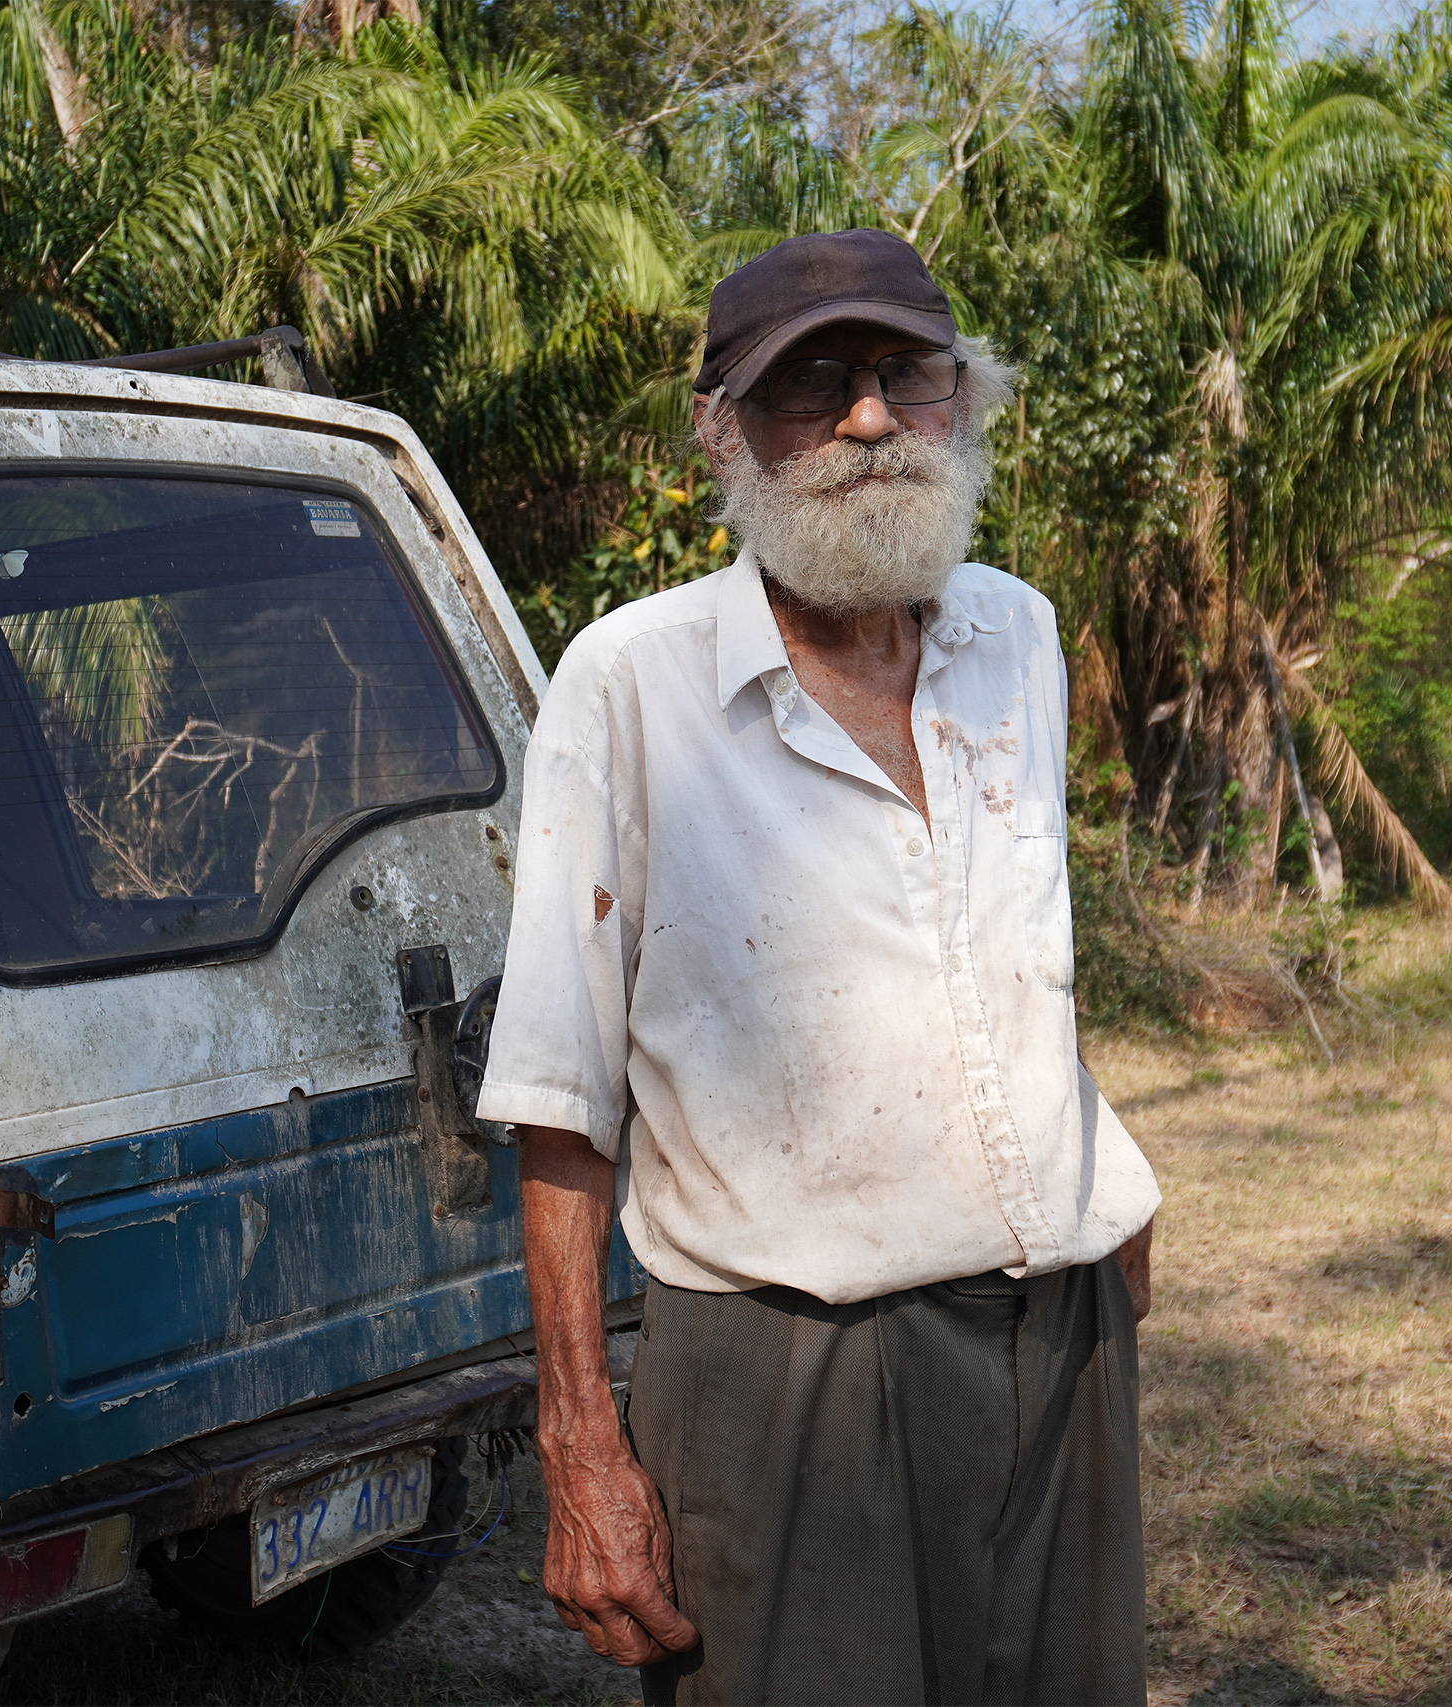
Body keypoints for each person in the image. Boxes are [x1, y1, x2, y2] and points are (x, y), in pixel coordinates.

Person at [473, 227, 1161, 1707]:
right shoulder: (634, 681)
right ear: (726, 429)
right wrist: (579, 1440)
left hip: (1063, 1337)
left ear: (961, 402)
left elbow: (1007, 949)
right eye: (812, 385)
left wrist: (1096, 1171)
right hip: (791, 1374)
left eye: (902, 376)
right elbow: (559, 1089)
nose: (865, 420)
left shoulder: (1017, 638)